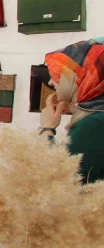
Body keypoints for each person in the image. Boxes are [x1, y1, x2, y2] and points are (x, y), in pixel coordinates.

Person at [40, 38, 104, 183]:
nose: (50, 82)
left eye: (57, 74)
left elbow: (57, 179)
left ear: (85, 77)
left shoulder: (96, 123)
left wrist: (47, 128)